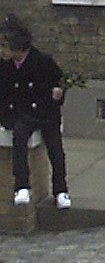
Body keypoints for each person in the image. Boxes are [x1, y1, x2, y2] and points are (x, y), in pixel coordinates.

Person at [0, 15, 71, 209]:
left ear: (17, 46)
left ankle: (61, 190)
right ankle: (21, 185)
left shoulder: (42, 61)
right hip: (22, 113)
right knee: (19, 138)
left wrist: (58, 93)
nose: (2, 51)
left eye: (5, 46)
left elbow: (60, 82)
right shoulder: (5, 66)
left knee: (56, 150)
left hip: (46, 112)